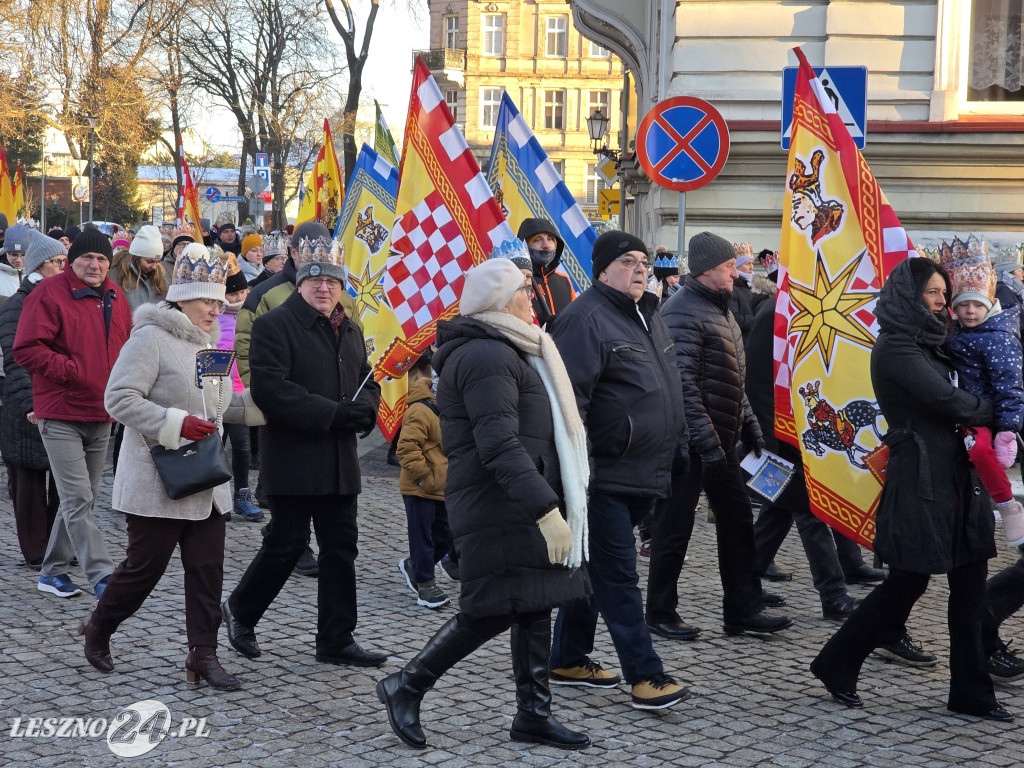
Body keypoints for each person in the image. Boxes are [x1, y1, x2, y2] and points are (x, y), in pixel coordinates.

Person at [377, 258, 591, 749]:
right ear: (500, 300)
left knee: (536, 601)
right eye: (524, 291)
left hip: (516, 497)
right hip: (501, 502)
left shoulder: (512, 346)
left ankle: (533, 714)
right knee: (491, 608)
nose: (533, 298)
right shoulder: (487, 354)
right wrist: (546, 510)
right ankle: (406, 684)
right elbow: (499, 445)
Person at [810, 257, 1012, 721]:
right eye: (932, 293)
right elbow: (947, 400)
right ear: (909, 296)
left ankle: (971, 692)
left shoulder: (937, 342)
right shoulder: (897, 347)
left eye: (944, 293)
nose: (942, 302)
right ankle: (837, 661)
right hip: (921, 479)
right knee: (908, 580)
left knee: (970, 584)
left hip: (959, 477)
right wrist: (993, 408)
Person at [79, 243, 265, 688]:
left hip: (206, 481)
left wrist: (274, 403)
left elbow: (220, 409)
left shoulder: (209, 343)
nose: (215, 309)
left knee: (207, 572)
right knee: (143, 569)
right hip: (156, 478)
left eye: (219, 301)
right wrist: (175, 423)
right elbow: (118, 398)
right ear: (182, 298)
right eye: (206, 301)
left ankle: (203, 654)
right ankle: (99, 627)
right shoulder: (150, 338)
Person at [223, 234, 386, 667]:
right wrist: (335, 414)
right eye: (316, 281)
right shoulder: (274, 325)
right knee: (287, 543)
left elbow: (367, 378)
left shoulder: (349, 326)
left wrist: (367, 410)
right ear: (300, 282)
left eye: (332, 282)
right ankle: (240, 610)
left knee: (341, 548)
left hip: (340, 460)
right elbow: (272, 390)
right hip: (293, 456)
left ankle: (336, 638)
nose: (324, 289)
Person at [547, 230, 690, 710]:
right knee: (619, 576)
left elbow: (669, 386)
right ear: (603, 270)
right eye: (628, 261)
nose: (640, 268)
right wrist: (580, 473)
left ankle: (568, 657)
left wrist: (680, 444)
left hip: (643, 470)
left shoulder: (648, 313)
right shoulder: (584, 319)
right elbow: (570, 405)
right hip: (602, 475)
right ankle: (646, 675)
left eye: (643, 261)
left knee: (594, 568)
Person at [648, 231, 793, 637]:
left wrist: (750, 427)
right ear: (707, 270)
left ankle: (743, 609)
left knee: (738, 524)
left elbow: (733, 380)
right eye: (729, 266)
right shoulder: (681, 311)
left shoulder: (720, 308)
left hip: (721, 442)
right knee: (673, 530)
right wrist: (708, 443)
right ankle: (660, 613)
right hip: (690, 446)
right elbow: (684, 387)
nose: (736, 273)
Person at [14, 227, 132, 599]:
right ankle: (102, 575)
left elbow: (127, 347)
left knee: (83, 498)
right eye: (87, 258)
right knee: (78, 497)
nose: (94, 265)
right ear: (72, 260)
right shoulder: (48, 293)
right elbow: (26, 348)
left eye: (101, 259)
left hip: (102, 412)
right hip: (61, 412)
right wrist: (72, 371)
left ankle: (51, 572)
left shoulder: (116, 297)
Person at [744, 290, 861, 620]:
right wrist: (766, 440)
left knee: (778, 513)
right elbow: (757, 383)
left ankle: (744, 584)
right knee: (811, 510)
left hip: (806, 431)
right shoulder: (775, 313)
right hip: (783, 437)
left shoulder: (814, 309)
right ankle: (833, 595)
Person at [939, 235, 1024, 545]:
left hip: (985, 413)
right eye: (963, 305)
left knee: (980, 450)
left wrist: (1007, 430)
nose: (971, 311)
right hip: (961, 410)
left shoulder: (999, 338)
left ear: (989, 306)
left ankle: (1008, 506)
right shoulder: (954, 333)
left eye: (977, 305)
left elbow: (1010, 386)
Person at [0, 232, 66, 570]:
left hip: (57, 401)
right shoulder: (18, 304)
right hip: (26, 403)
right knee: (28, 482)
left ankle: (59, 546)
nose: (63, 267)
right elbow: (15, 360)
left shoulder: (61, 298)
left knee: (64, 482)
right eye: (58, 262)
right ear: (40, 265)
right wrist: (30, 403)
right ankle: (37, 551)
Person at [395, 350, 452, 609]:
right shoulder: (420, 410)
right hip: (420, 488)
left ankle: (415, 566)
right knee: (423, 539)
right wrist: (424, 477)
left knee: (447, 537)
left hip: (443, 488)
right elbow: (406, 448)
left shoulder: (451, 411)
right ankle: (425, 585)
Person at [218, 253, 263, 523]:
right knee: (215, 446)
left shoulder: (253, 316)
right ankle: (218, 497)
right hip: (216, 393)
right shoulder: (214, 316)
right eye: (233, 294)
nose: (239, 298)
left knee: (243, 446)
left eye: (242, 292)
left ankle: (242, 495)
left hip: (241, 393)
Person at [517, 218, 575, 327]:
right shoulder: (517, 281)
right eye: (537, 240)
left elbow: (575, 318)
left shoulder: (564, 280)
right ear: (524, 246)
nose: (546, 245)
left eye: (550, 239)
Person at [108, 224, 168, 311]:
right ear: (136, 258)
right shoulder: (116, 274)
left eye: (157, 262)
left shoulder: (160, 276)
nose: (154, 267)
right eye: (149, 261)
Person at [729, 241, 756, 338]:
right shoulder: (732, 288)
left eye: (752, 263)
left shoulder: (751, 286)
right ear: (737, 267)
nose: (751, 267)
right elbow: (734, 319)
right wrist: (757, 319)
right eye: (748, 264)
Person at [0, 225, 26, 305]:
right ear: (6, 252)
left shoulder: (37, 273)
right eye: (14, 255)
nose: (19, 260)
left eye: (23, 255)